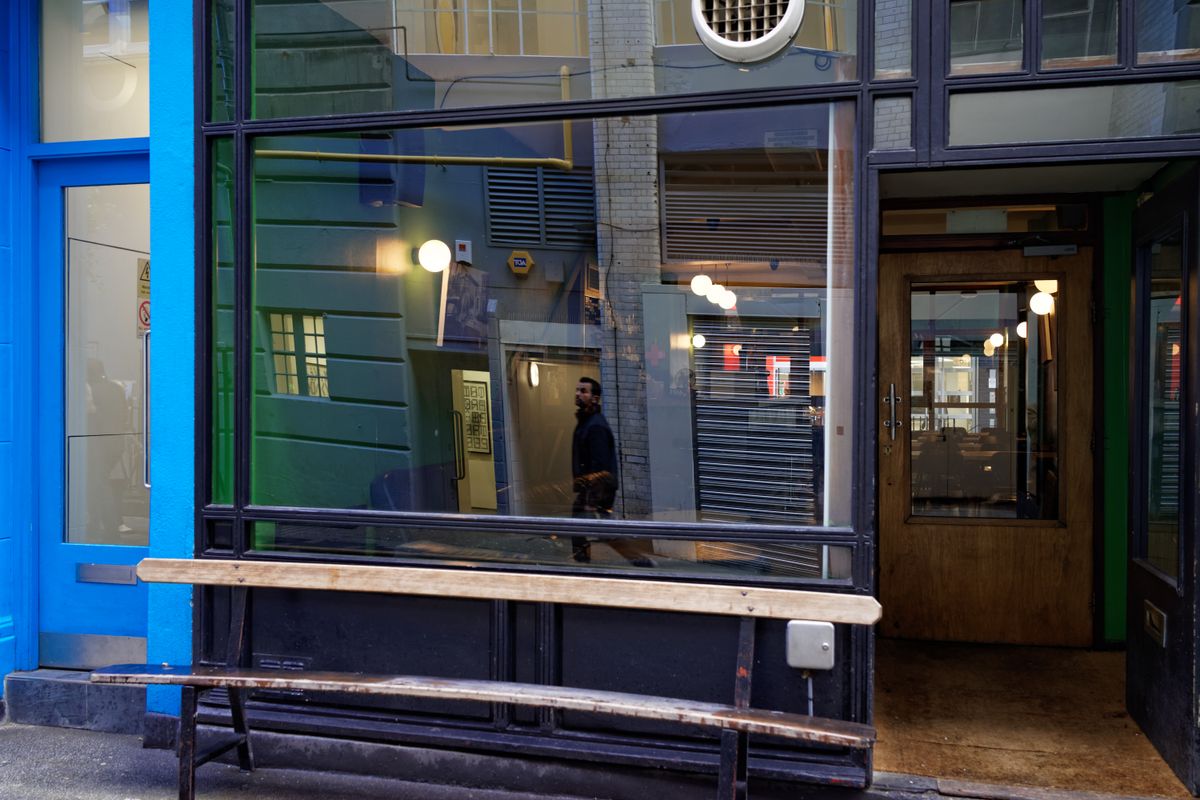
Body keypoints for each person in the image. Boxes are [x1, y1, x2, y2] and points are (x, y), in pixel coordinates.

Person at [570, 377, 654, 567]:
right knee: (592, 532)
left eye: (583, 391)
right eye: (577, 390)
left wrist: (591, 501)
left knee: (595, 531)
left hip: (595, 493)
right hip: (590, 490)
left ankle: (640, 562)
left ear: (595, 398)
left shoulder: (595, 425)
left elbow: (600, 467)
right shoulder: (587, 422)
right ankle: (585, 564)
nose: (578, 394)